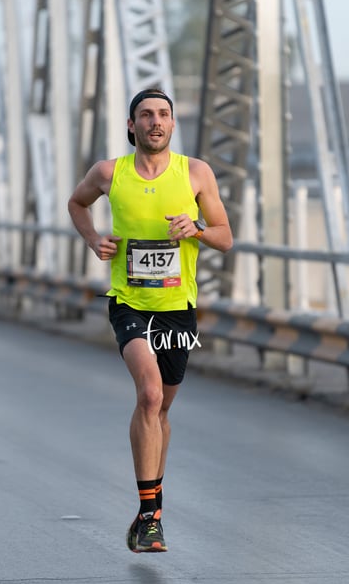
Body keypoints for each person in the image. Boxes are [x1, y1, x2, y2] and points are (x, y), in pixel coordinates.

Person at [68, 87, 233, 553]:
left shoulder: (195, 173)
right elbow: (76, 204)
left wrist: (197, 228)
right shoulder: (108, 173)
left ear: (173, 124)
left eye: (163, 114)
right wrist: (92, 238)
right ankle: (150, 518)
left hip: (178, 309)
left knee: (161, 411)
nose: (155, 122)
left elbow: (225, 237)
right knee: (149, 393)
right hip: (129, 303)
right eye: (146, 115)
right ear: (131, 125)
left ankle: (150, 506)